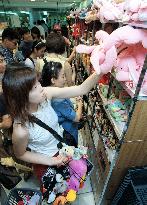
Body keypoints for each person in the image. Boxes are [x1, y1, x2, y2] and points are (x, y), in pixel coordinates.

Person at [2, 62, 102, 180]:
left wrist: (101, 69)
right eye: (34, 87)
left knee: (72, 183)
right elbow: (21, 154)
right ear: (21, 96)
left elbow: (81, 89)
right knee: (59, 195)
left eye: (38, 82)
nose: (41, 88)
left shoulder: (45, 94)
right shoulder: (21, 129)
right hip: (46, 163)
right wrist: (51, 161)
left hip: (63, 149)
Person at [41, 61, 83, 145]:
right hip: (68, 133)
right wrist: (80, 104)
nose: (65, 79)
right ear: (53, 80)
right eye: (63, 76)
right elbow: (77, 118)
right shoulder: (59, 101)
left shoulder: (49, 94)